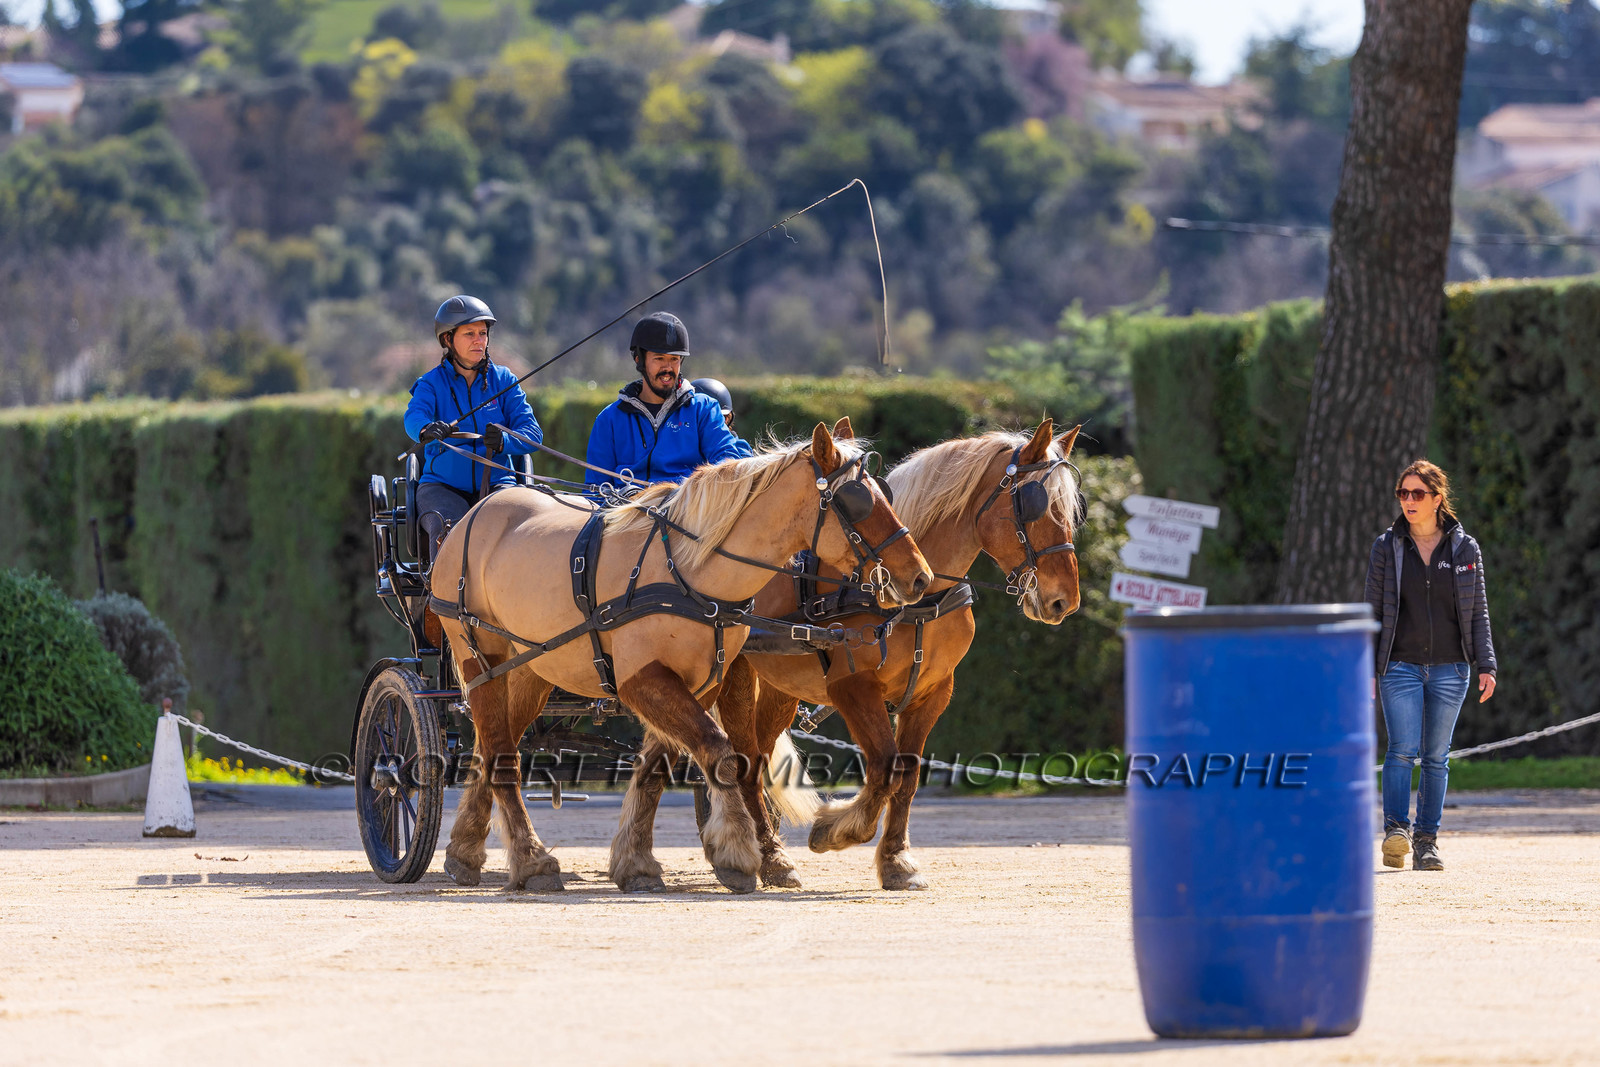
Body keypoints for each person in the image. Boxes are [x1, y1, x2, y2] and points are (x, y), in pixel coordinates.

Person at [1365, 459, 1497, 872]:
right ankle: (1396, 832)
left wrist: (1486, 663)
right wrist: (1368, 665)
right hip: (1398, 665)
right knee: (1402, 751)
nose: (1408, 501)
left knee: (1437, 757)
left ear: (1438, 499)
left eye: (1417, 494)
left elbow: (1478, 612)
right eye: (1403, 493)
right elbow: (1371, 610)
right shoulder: (1387, 546)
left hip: (1451, 668)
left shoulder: (1464, 548)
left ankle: (1427, 842)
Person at [404, 295, 542, 563]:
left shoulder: (504, 380)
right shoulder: (430, 383)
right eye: (469, 334)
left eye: (483, 333)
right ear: (448, 340)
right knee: (449, 532)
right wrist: (426, 429)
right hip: (442, 488)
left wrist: (505, 441)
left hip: (498, 485)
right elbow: (413, 417)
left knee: (509, 531)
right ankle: (442, 602)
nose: (479, 340)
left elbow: (533, 434)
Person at [585, 312, 752, 492]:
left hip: (685, 513)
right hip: (625, 512)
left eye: (674, 359)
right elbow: (595, 490)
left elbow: (727, 463)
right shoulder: (609, 419)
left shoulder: (704, 409)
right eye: (659, 358)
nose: (668, 368)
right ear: (639, 359)